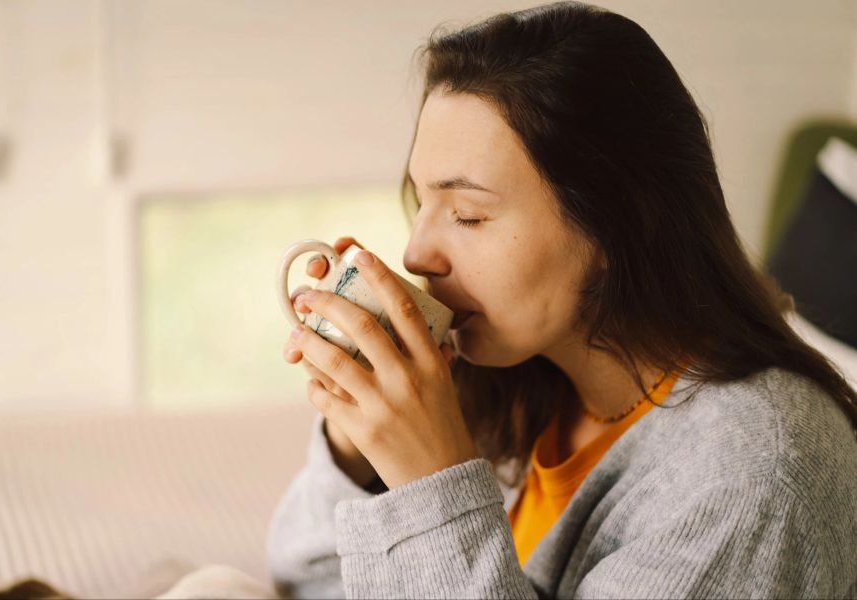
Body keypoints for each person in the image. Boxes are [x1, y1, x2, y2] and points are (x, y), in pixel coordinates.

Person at [271, 1, 857, 598]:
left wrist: (432, 487)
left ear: (614, 222)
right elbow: (303, 577)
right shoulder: (514, 382)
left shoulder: (750, 476)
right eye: (422, 202)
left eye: (468, 215)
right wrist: (360, 448)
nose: (417, 251)